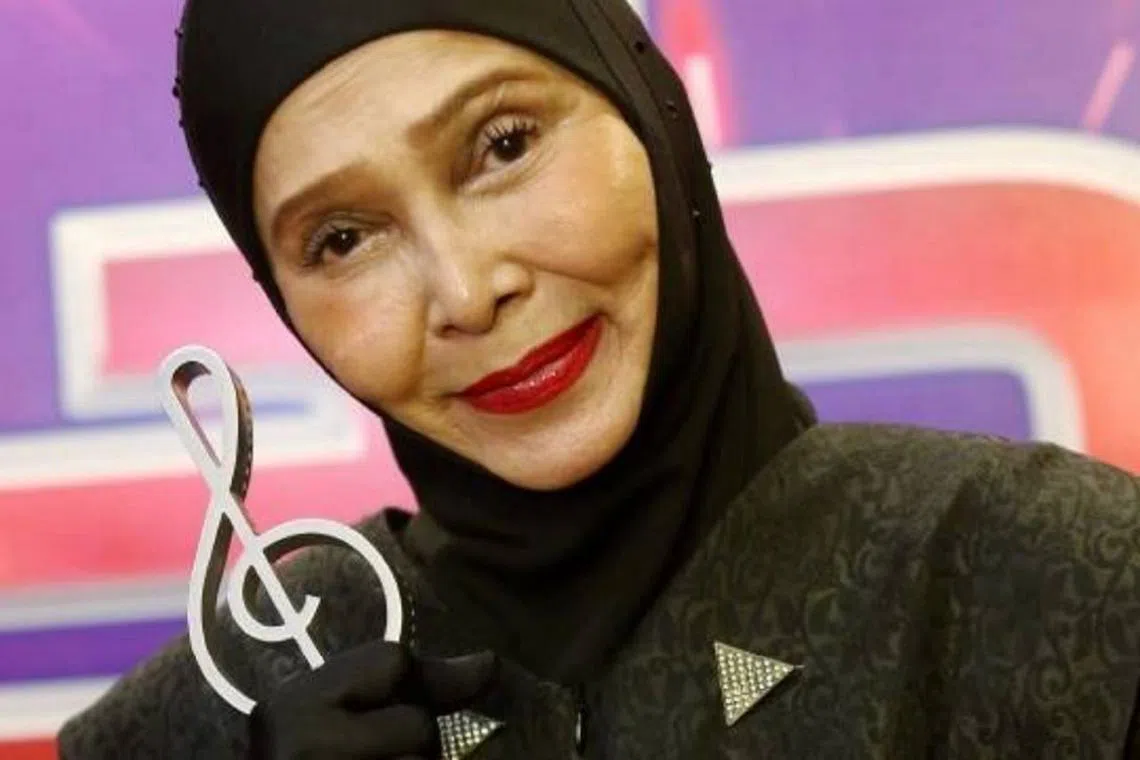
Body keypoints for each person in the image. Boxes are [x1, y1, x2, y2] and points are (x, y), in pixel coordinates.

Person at [58, 0, 1140, 757]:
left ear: (648, 109)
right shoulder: (205, 716)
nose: (466, 290)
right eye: (343, 238)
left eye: (503, 144)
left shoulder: (1057, 581)